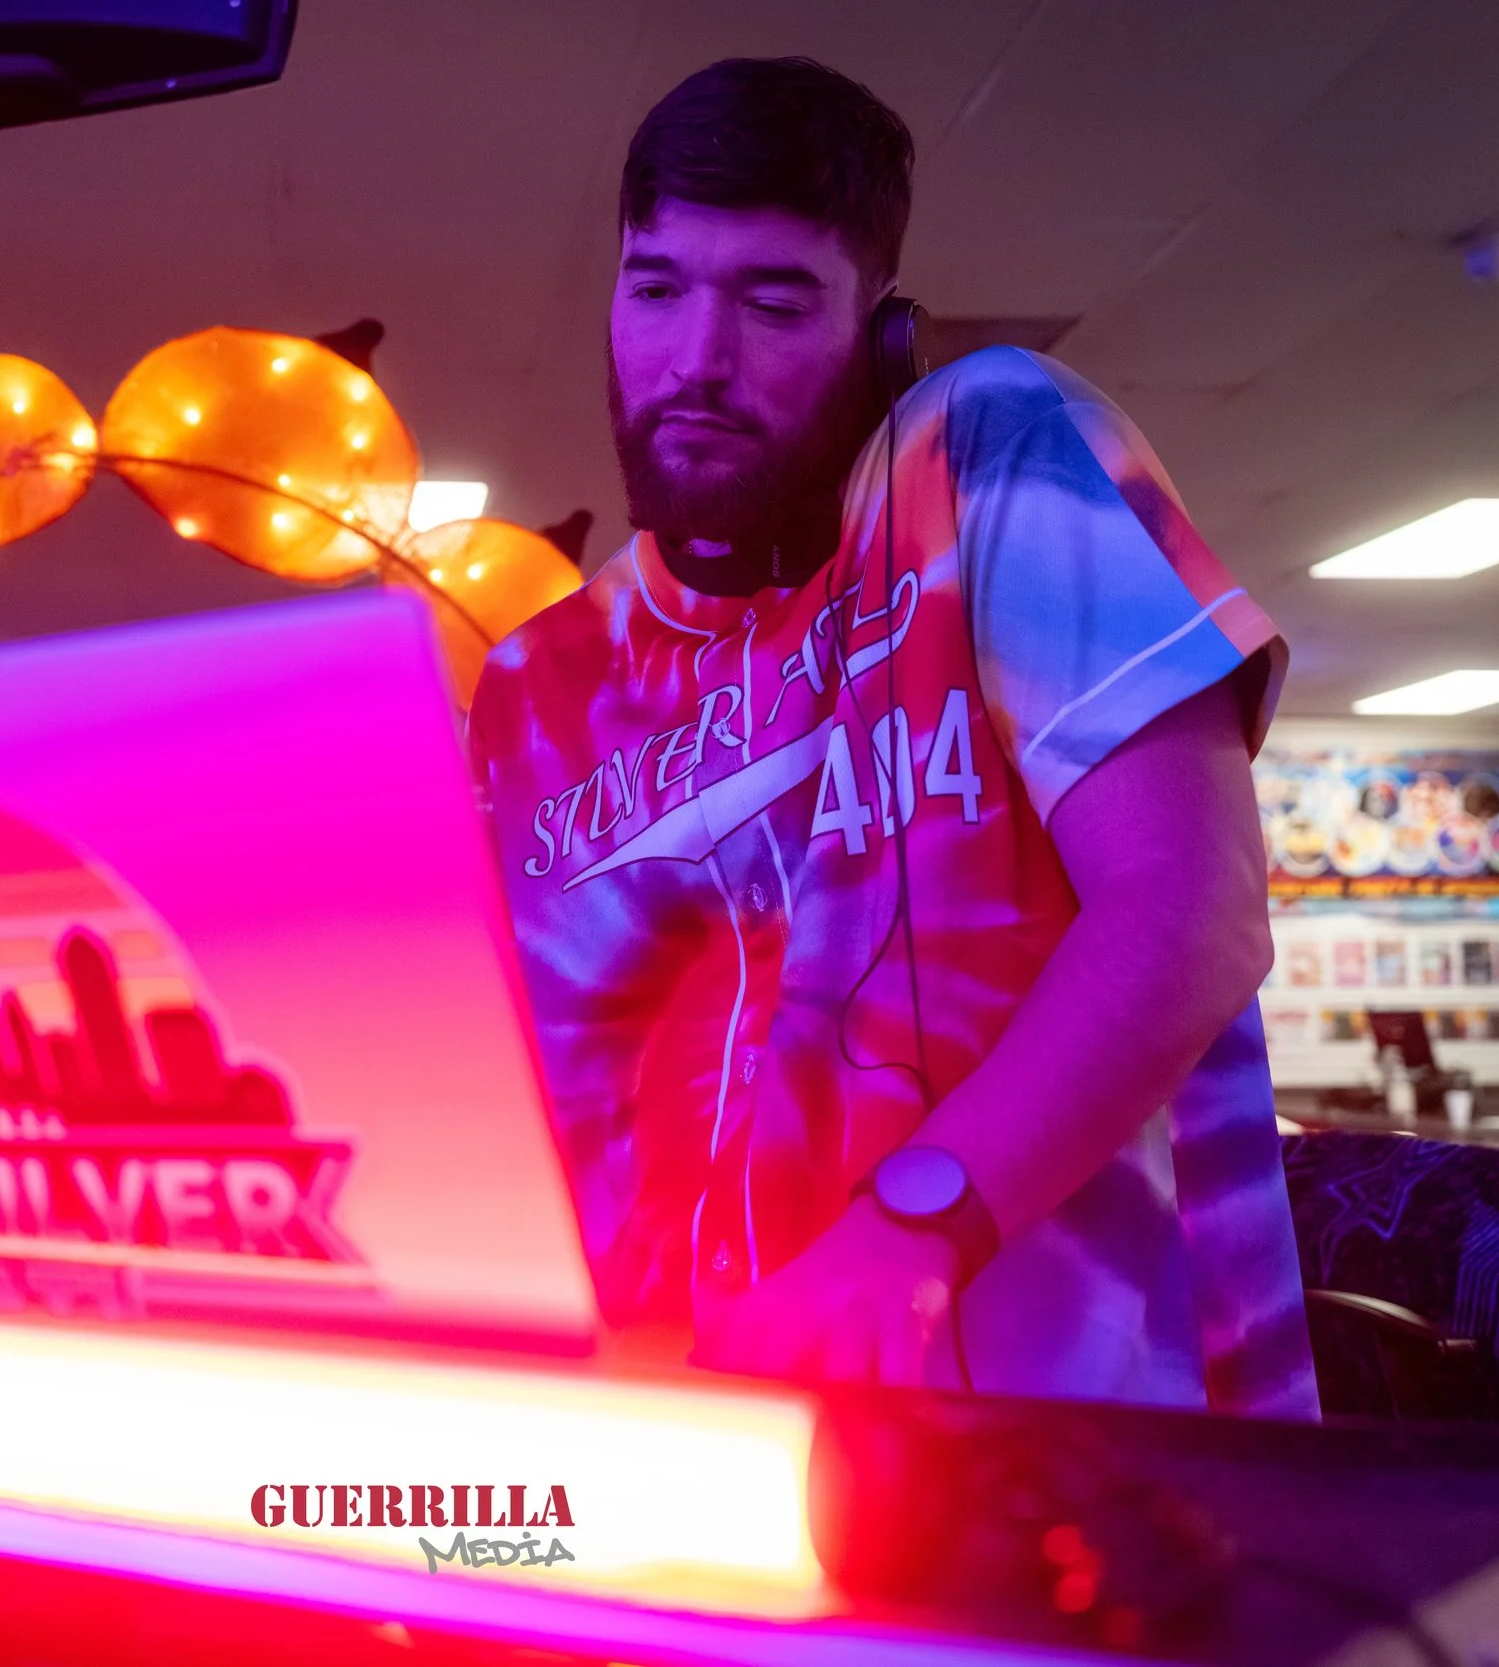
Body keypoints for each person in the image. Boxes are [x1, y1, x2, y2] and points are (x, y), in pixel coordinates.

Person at [468, 58, 1316, 1416]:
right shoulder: (537, 678)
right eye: (657, 288)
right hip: (661, 1427)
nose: (697, 359)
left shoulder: (976, 458)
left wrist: (903, 1235)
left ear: (883, 337)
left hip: (1049, 1439)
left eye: (773, 302)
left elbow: (1192, 906)